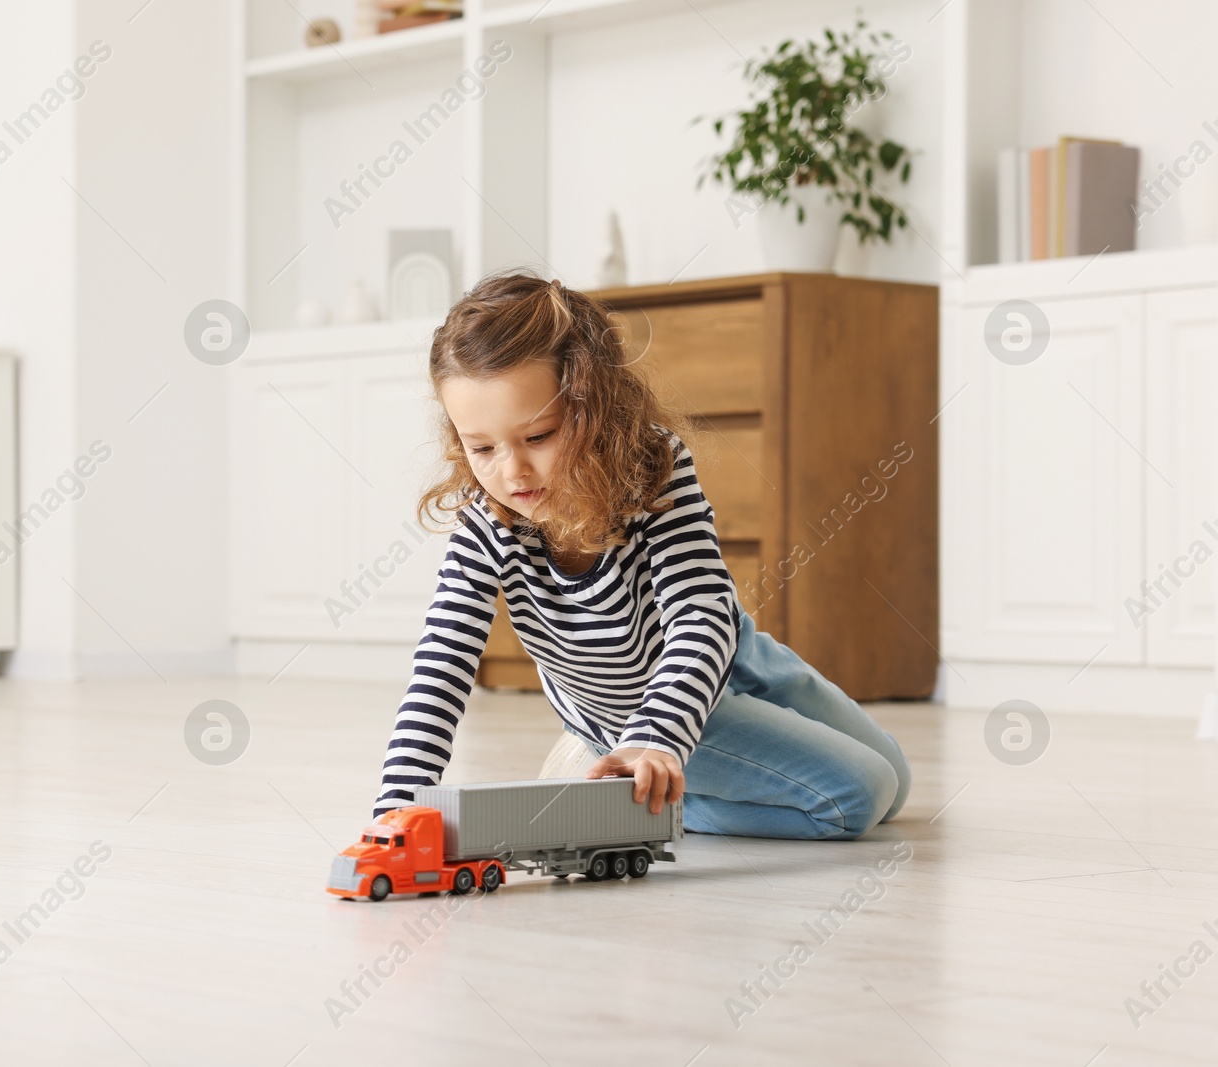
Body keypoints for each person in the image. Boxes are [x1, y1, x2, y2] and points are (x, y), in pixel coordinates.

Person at [370, 271, 910, 840]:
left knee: (896, 779)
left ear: (592, 408)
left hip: (727, 657)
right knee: (860, 795)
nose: (511, 471)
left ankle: (619, 772)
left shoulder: (654, 467)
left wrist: (661, 732)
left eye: (539, 437)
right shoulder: (486, 520)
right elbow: (441, 666)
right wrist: (394, 812)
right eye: (481, 447)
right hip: (632, 718)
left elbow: (700, 615)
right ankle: (618, 794)